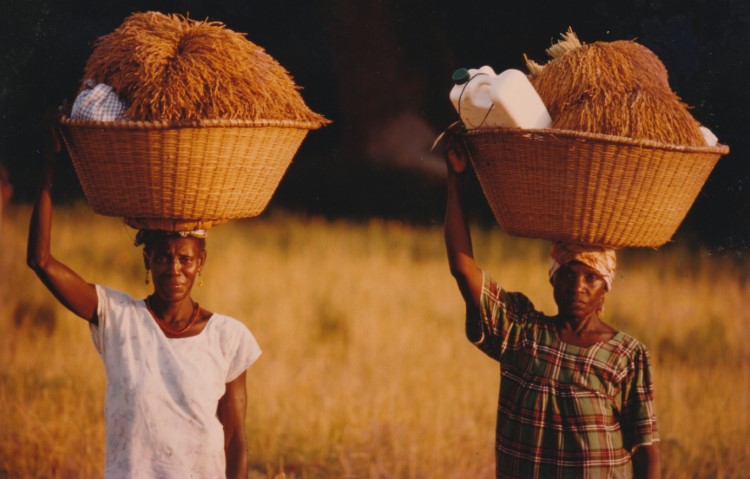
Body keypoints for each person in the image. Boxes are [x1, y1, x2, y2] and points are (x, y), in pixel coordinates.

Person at [27, 115, 261, 479]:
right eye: (163, 257)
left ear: (201, 261)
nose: (174, 269)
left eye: (185, 258)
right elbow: (40, 261)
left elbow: (236, 443)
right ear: (147, 259)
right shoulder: (119, 318)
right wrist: (50, 167)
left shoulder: (228, 338)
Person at [441, 130, 661, 478]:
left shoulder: (627, 355)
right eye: (569, 275)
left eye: (591, 278)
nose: (578, 286)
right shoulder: (520, 330)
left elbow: (645, 448)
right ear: (553, 279)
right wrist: (456, 179)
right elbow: (463, 268)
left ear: (606, 288)